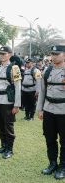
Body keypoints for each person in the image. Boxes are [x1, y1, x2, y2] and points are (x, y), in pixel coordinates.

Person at [37, 45, 65, 179]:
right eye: (52, 54)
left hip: (63, 111)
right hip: (48, 110)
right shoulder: (47, 71)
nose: (53, 56)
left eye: (57, 54)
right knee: (50, 139)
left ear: (64, 55)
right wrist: (40, 109)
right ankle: (52, 163)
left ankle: (63, 166)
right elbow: (42, 91)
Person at [0, 46, 22, 159]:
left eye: (4, 54)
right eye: (0, 53)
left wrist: (17, 104)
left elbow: (18, 87)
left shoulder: (14, 68)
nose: (2, 55)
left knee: (8, 126)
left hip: (8, 101)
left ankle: (9, 149)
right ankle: (3, 145)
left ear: (9, 54)